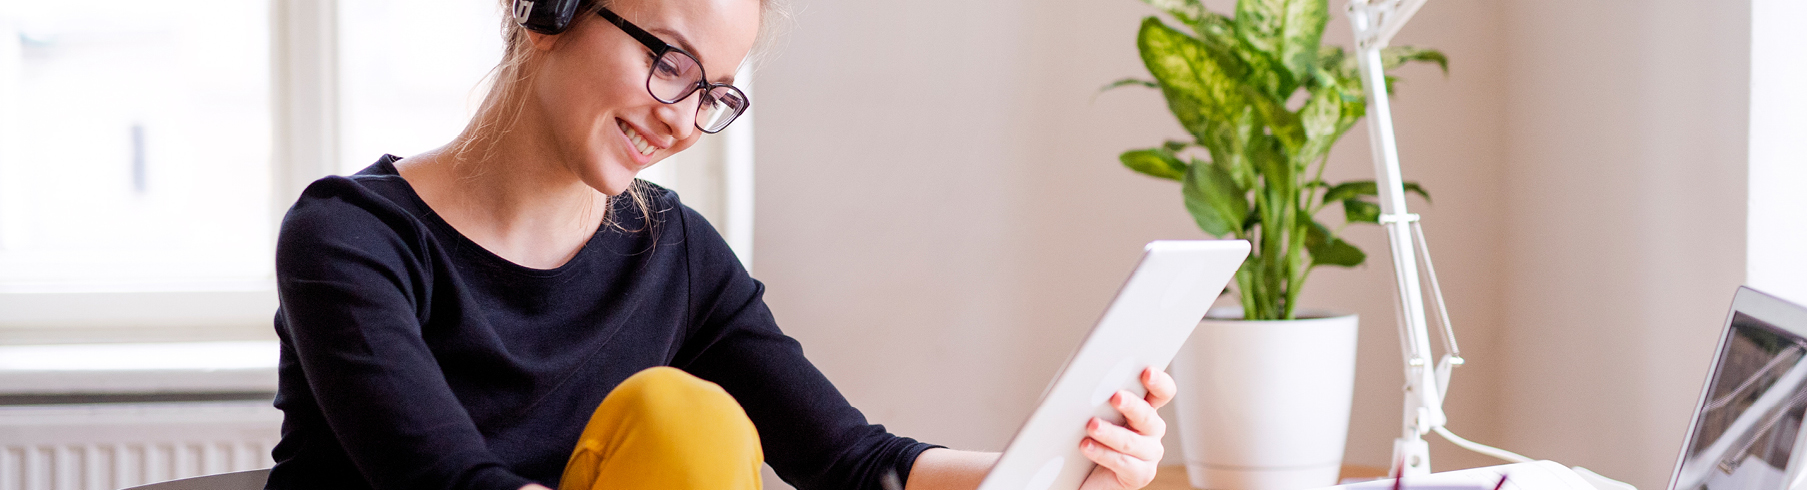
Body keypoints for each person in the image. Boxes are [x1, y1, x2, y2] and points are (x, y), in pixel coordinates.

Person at [265, 0, 1175, 489]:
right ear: (549, 10)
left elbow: (857, 465)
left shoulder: (677, 255)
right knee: (682, 419)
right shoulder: (349, 238)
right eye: (669, 59)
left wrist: (1059, 471)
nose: (683, 117)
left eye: (715, 94)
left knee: (681, 422)